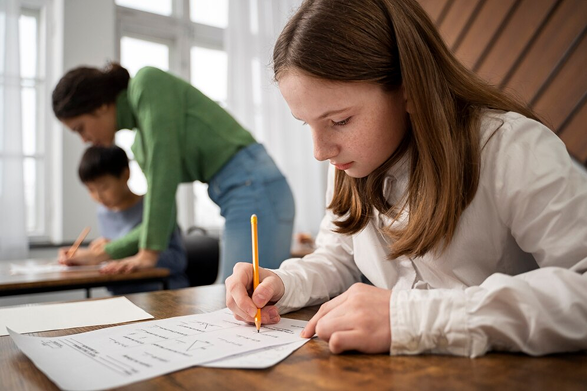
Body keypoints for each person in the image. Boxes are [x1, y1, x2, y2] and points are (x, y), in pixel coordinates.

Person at [225, 0, 587, 357]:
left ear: (409, 88)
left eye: (339, 121)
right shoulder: (350, 164)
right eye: (308, 124)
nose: (320, 152)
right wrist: (282, 284)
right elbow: (337, 257)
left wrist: (408, 318)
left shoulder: (512, 149)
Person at [52, 64, 295, 280]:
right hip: (241, 192)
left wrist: (148, 254)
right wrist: (104, 253)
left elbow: (163, 173)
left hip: (255, 186)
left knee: (242, 298)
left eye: (80, 128)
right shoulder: (141, 144)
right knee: (238, 300)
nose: (84, 139)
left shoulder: (147, 83)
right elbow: (162, 215)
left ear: (100, 105)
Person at [59, 145, 189, 294]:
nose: (99, 196)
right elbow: (111, 256)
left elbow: (178, 261)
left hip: (161, 292)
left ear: (125, 174)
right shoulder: (103, 213)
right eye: (91, 190)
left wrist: (116, 252)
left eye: (104, 187)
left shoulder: (156, 208)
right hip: (121, 293)